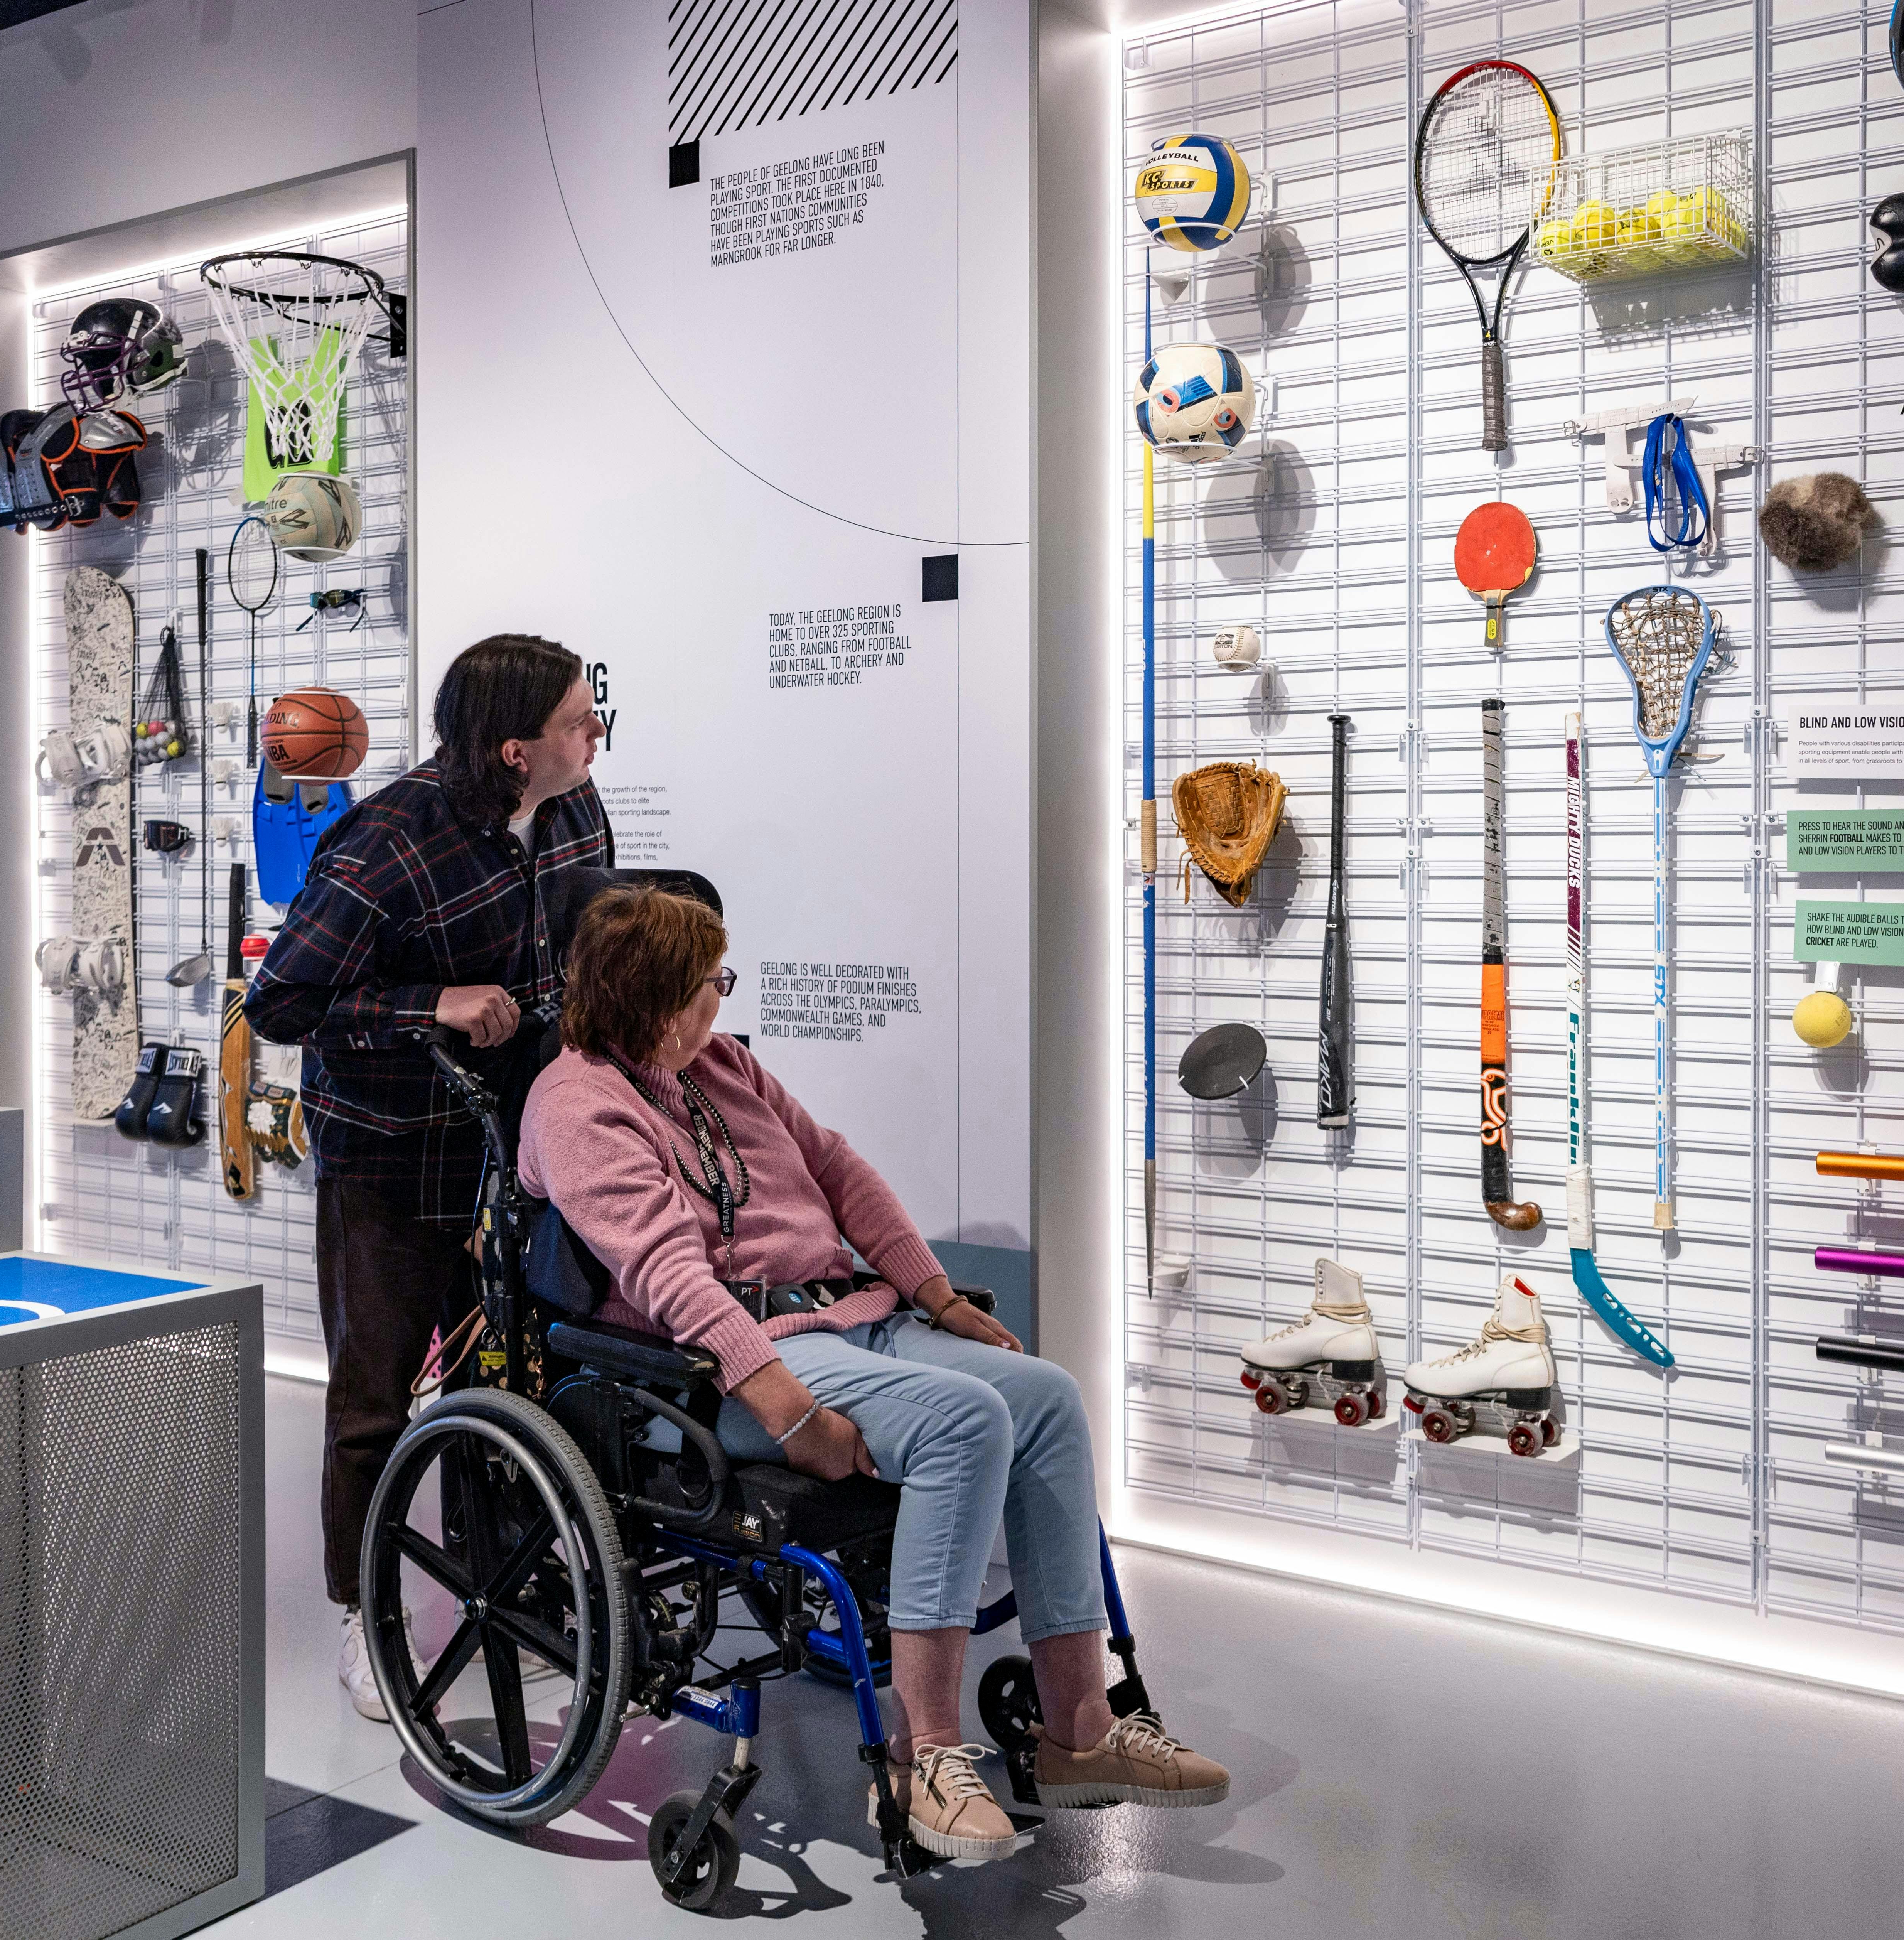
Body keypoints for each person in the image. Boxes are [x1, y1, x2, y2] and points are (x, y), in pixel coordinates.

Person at [520, 887, 1230, 1862]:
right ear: (649, 999)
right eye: (706, 985)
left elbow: (839, 1171)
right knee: (965, 1421)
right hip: (717, 1370)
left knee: (1050, 1397)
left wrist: (936, 1297)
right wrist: (785, 1408)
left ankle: (1081, 1727)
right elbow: (669, 1276)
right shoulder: (577, 1106)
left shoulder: (721, 1066)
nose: (720, 1001)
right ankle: (926, 1755)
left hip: (846, 1315)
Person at [245, 633, 610, 1723]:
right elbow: (280, 1008)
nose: (595, 733)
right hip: (391, 1160)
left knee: (506, 1388)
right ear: (514, 750)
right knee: (375, 1401)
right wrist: (431, 1005)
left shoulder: (578, 811)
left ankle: (500, 1595)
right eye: (578, 721)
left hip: (523, 1155)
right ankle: (370, 1621)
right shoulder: (384, 843)